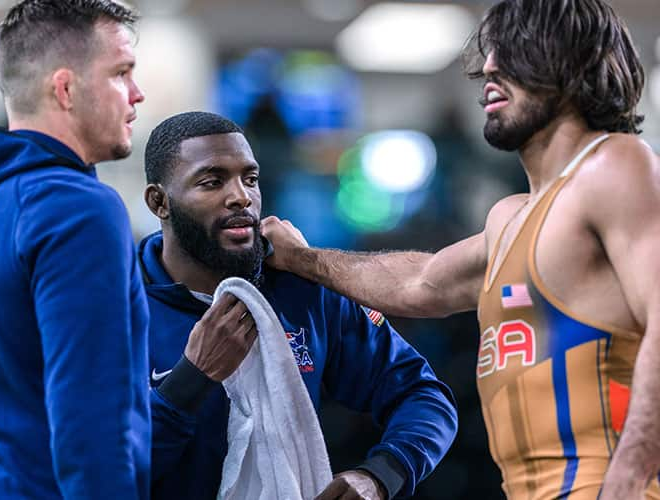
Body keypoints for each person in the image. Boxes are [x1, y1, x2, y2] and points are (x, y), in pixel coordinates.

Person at [262, 1, 660, 499]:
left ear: (574, 63)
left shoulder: (615, 165)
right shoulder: (510, 219)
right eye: (492, 53)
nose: (490, 66)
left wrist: (630, 478)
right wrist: (301, 258)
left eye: (514, 52)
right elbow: (419, 283)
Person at [140, 111, 457, 500]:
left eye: (250, 179)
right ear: (160, 202)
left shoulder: (300, 291)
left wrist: (381, 475)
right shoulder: (115, 309)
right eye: (212, 181)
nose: (241, 196)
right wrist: (189, 381)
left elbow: (424, 394)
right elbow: (96, 473)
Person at [0, 1, 152, 497]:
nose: (137, 94)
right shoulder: (79, 209)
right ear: (66, 88)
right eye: (121, 73)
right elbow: (92, 423)